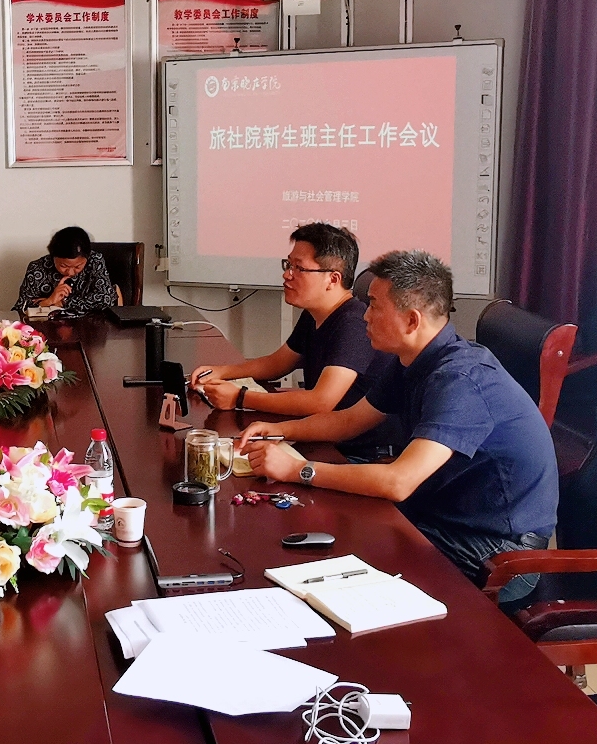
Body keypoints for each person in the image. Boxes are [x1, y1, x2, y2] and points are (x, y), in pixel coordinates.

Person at [238, 250, 558, 602]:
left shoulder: (461, 380)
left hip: (497, 551)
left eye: (374, 306)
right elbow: (349, 421)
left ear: (411, 320)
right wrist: (277, 430)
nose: (365, 316)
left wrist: (297, 470)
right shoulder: (413, 359)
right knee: (324, 526)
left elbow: (398, 481)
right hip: (443, 515)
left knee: (344, 569)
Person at [190, 223, 401, 461]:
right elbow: (278, 363)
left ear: (333, 279)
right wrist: (222, 372)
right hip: (324, 437)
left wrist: (239, 397)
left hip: (361, 454)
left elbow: (321, 401)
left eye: (299, 268)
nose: (287, 274)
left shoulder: (353, 323)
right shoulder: (315, 314)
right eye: (288, 264)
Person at [12, 226, 118, 315]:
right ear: (53, 257)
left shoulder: (95, 261)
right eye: (64, 266)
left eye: (77, 266)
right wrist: (48, 301)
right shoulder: (37, 269)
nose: (70, 272)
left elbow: (106, 298)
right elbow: (20, 309)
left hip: (89, 328)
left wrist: (64, 303)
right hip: (48, 327)